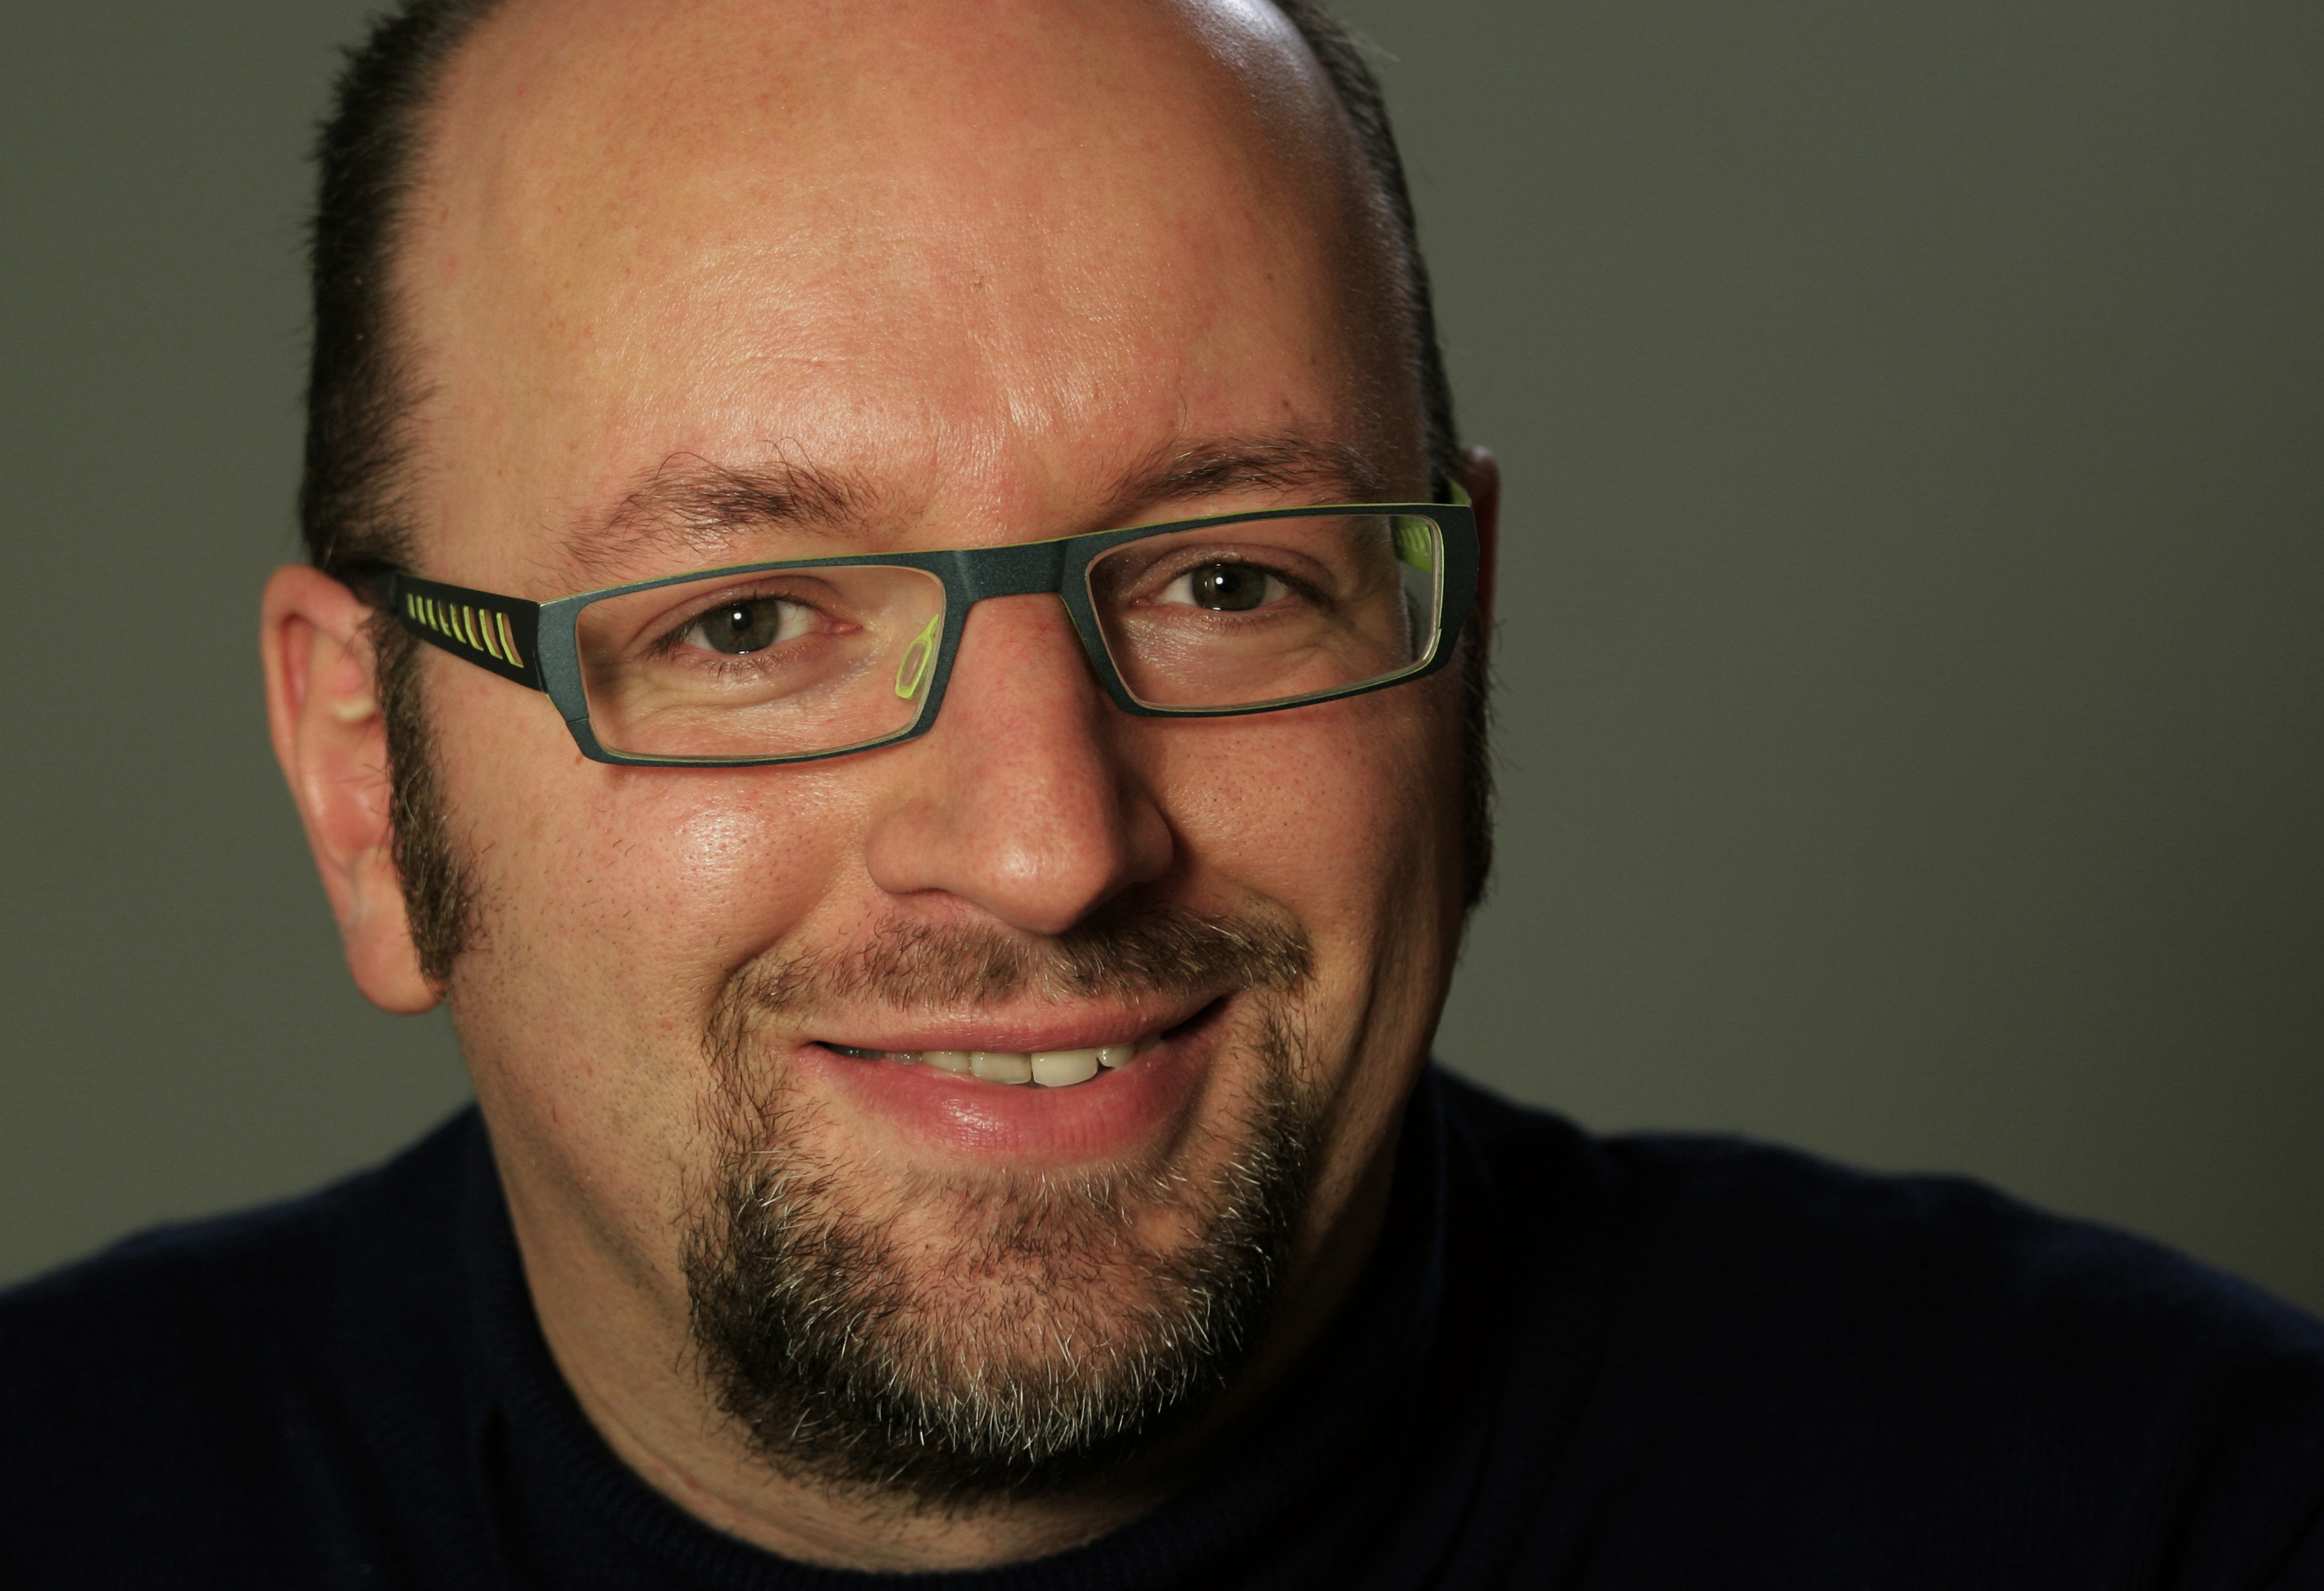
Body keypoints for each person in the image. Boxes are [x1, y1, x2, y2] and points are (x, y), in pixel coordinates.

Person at [4, 0, 2322, 1583]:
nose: (1049, 843)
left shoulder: (2169, 1508)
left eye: (1227, 580)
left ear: (1458, 654)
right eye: (746, 621)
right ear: (362, 777)